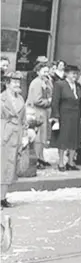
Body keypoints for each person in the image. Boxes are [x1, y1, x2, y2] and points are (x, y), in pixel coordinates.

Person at [51, 65, 81, 171]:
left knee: (74, 139)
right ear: (66, 73)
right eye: (72, 73)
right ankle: (61, 163)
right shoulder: (59, 84)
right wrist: (56, 116)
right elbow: (55, 101)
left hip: (76, 115)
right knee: (63, 139)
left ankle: (71, 162)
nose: (75, 75)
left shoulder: (78, 86)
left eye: (76, 73)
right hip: (64, 115)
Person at [1, 72, 28, 208]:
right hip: (4, 136)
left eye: (19, 82)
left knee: (10, 169)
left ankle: (2, 198)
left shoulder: (20, 99)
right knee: (2, 167)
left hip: (16, 136)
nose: (18, 84)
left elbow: (23, 119)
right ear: (7, 84)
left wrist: (25, 135)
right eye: (14, 82)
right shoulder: (1, 99)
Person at [25, 63, 52, 169]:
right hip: (37, 112)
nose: (46, 73)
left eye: (47, 71)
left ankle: (41, 157)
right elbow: (37, 100)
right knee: (38, 137)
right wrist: (49, 101)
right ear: (38, 71)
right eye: (44, 71)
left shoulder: (45, 81)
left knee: (42, 137)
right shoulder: (37, 83)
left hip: (42, 112)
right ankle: (36, 159)